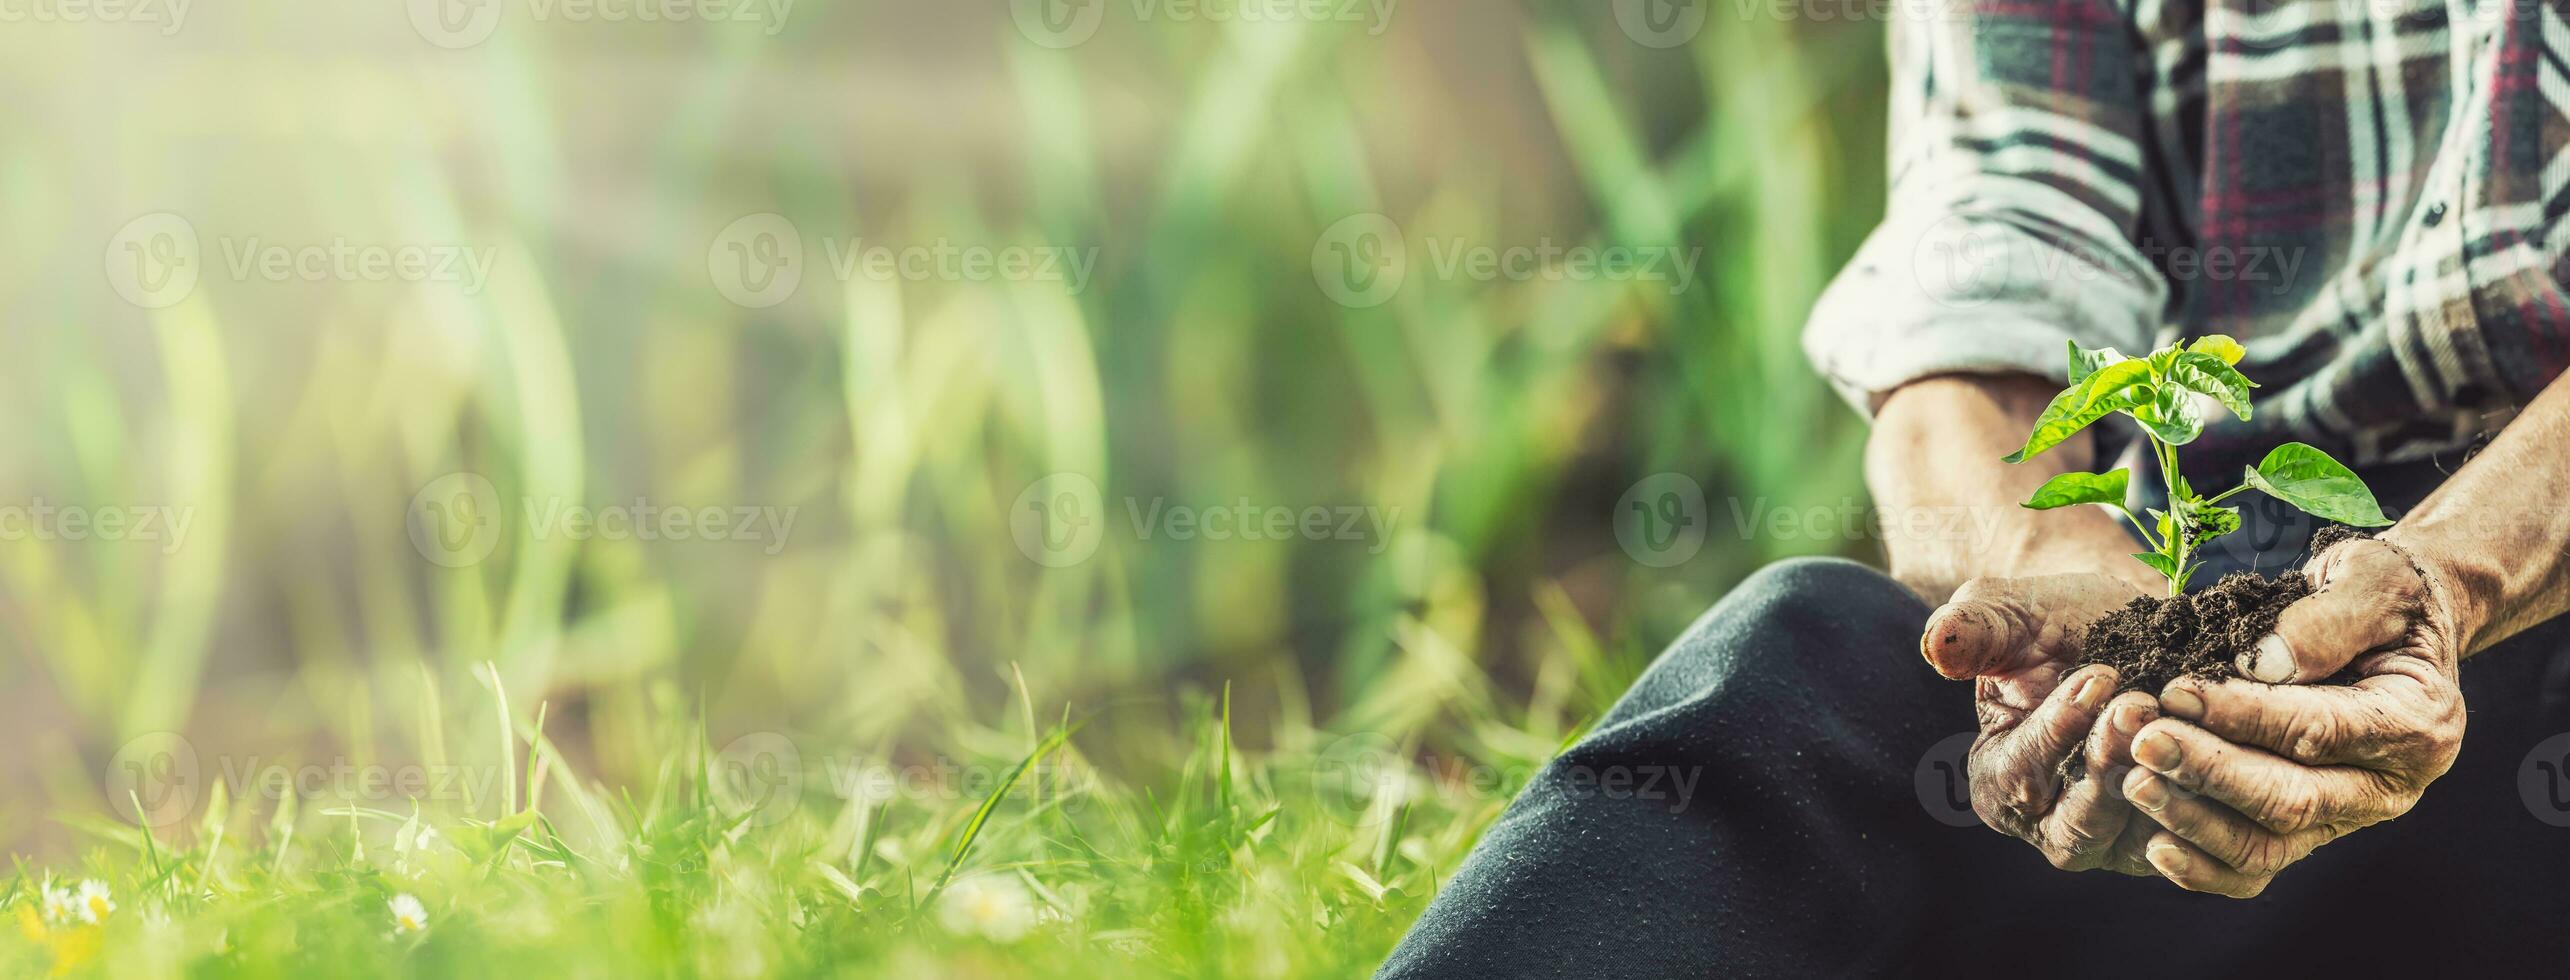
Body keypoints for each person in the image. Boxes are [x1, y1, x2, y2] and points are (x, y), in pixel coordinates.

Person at [1381, 0, 2570, 974]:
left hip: (2535, 560)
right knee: (1796, 667)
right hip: (2239, 593)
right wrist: (2059, 594)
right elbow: (1976, 291)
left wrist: (2443, 579)